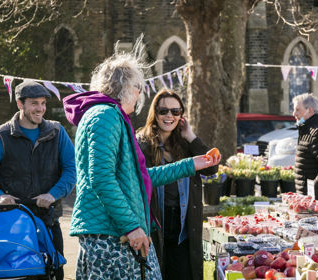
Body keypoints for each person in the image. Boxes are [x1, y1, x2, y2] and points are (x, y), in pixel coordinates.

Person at [62, 44, 221, 280]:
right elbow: (101, 178)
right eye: (138, 87)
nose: (139, 94)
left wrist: (190, 164)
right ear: (125, 87)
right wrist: (131, 226)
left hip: (116, 231)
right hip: (111, 234)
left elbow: (140, 176)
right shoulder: (105, 115)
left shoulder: (111, 115)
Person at [0, 80, 76, 280]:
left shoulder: (57, 133)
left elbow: (71, 170)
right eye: (34, 103)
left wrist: (53, 194)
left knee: (53, 274)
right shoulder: (1, 135)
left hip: (47, 220)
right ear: (20, 104)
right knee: (15, 276)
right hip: (10, 223)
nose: (40, 108)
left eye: (43, 103)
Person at [136, 89, 217, 280]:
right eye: (163, 111)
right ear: (154, 113)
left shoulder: (185, 143)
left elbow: (211, 169)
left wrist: (190, 135)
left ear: (181, 115)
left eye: (175, 111)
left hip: (183, 226)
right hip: (155, 224)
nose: (169, 116)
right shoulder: (142, 143)